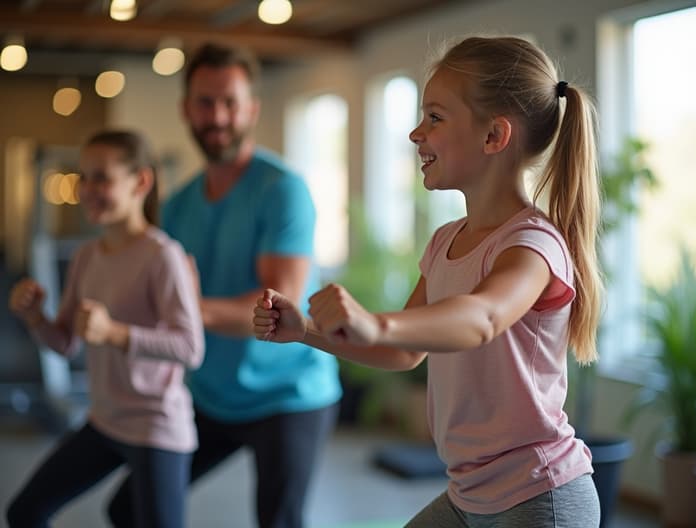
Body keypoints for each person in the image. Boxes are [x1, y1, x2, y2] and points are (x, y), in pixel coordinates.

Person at [253, 35, 603, 527]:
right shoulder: (444, 242)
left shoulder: (532, 246)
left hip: (539, 497)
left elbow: (482, 317)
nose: (417, 134)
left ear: (493, 136)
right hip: (469, 495)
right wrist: (305, 330)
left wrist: (377, 323)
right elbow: (403, 351)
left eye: (435, 117)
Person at [108, 43, 342, 528]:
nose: (218, 116)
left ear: (251, 108)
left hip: (287, 393)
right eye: (205, 102)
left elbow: (276, 310)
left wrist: (188, 308)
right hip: (209, 394)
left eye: (230, 102)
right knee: (129, 509)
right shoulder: (177, 206)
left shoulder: (282, 190)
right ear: (186, 109)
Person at [5, 130, 204, 528]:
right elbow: (63, 343)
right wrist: (35, 318)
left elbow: (190, 348)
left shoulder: (162, 256)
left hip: (155, 427)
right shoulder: (86, 256)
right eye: (84, 177)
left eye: (102, 178)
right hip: (105, 420)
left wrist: (114, 333)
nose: (87, 190)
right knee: (25, 512)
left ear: (140, 183)